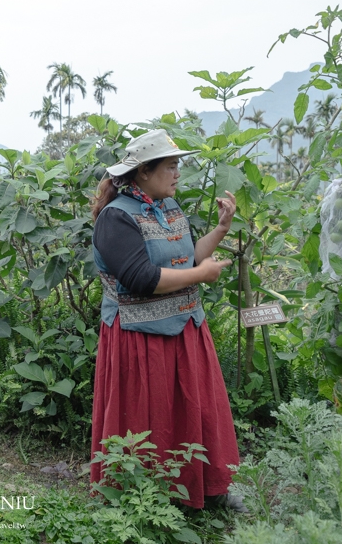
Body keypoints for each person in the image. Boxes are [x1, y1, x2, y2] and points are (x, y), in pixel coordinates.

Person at [89, 128, 245, 512]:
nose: (178, 173)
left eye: (178, 165)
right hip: (139, 338)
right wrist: (201, 276)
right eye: (171, 166)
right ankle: (140, 496)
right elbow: (142, 278)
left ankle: (208, 489)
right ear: (143, 172)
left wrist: (221, 230)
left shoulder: (168, 208)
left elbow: (188, 257)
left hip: (184, 329)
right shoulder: (116, 218)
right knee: (149, 416)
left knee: (193, 409)